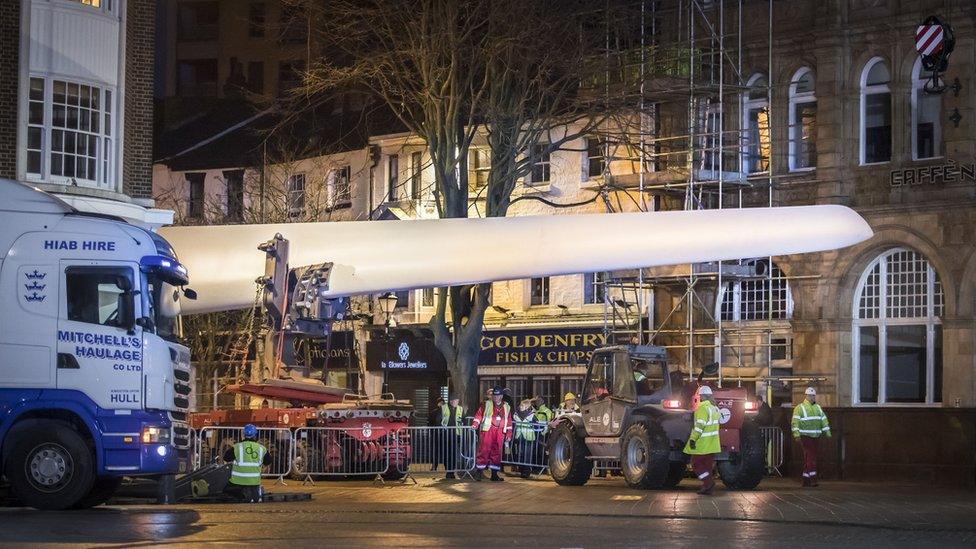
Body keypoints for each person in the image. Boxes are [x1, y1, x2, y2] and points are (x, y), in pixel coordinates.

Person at [683, 386, 721, 495]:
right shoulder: (715, 408)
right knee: (707, 466)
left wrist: (693, 439)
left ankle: (708, 483)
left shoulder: (702, 409)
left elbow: (699, 426)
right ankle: (706, 487)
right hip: (713, 444)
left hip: (702, 444)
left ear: (702, 397)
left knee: (696, 465)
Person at [792, 387, 831, 487]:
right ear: (806, 396)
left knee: (808, 458)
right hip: (805, 437)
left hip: (816, 437)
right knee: (811, 458)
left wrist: (828, 433)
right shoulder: (799, 408)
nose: (812, 397)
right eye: (810, 395)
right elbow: (795, 423)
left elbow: (824, 420)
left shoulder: (818, 407)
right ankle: (813, 479)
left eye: (813, 395)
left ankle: (806, 480)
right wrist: (796, 435)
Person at [472, 386, 512, 481]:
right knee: (483, 451)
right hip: (488, 430)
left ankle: (494, 475)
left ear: (501, 396)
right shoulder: (486, 404)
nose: (495, 397)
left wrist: (509, 434)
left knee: (497, 452)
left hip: (500, 431)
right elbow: (479, 414)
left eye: (497, 395)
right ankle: (479, 473)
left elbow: (509, 421)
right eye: (494, 395)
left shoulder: (506, 407)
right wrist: (475, 424)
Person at [223, 424, 271, 503]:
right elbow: (268, 461)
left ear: (244, 435)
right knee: (254, 496)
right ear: (255, 435)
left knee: (226, 491)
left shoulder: (236, 447)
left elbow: (226, 458)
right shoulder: (261, 448)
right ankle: (257, 495)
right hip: (254, 483)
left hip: (237, 483)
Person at [438, 395, 464, 479]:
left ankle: (451, 471)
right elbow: (438, 420)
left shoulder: (460, 409)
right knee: (447, 453)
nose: (456, 402)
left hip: (456, 434)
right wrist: (441, 430)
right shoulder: (443, 408)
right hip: (446, 434)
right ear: (450, 401)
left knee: (453, 454)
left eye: (457, 400)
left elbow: (463, 420)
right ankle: (448, 471)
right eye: (455, 400)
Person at [512, 399, 538, 478]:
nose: (520, 407)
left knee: (527, 455)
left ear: (527, 407)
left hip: (528, 438)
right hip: (519, 437)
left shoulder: (532, 415)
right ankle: (521, 470)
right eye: (520, 405)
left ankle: (526, 472)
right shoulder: (516, 414)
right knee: (520, 454)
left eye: (522, 405)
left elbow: (537, 425)